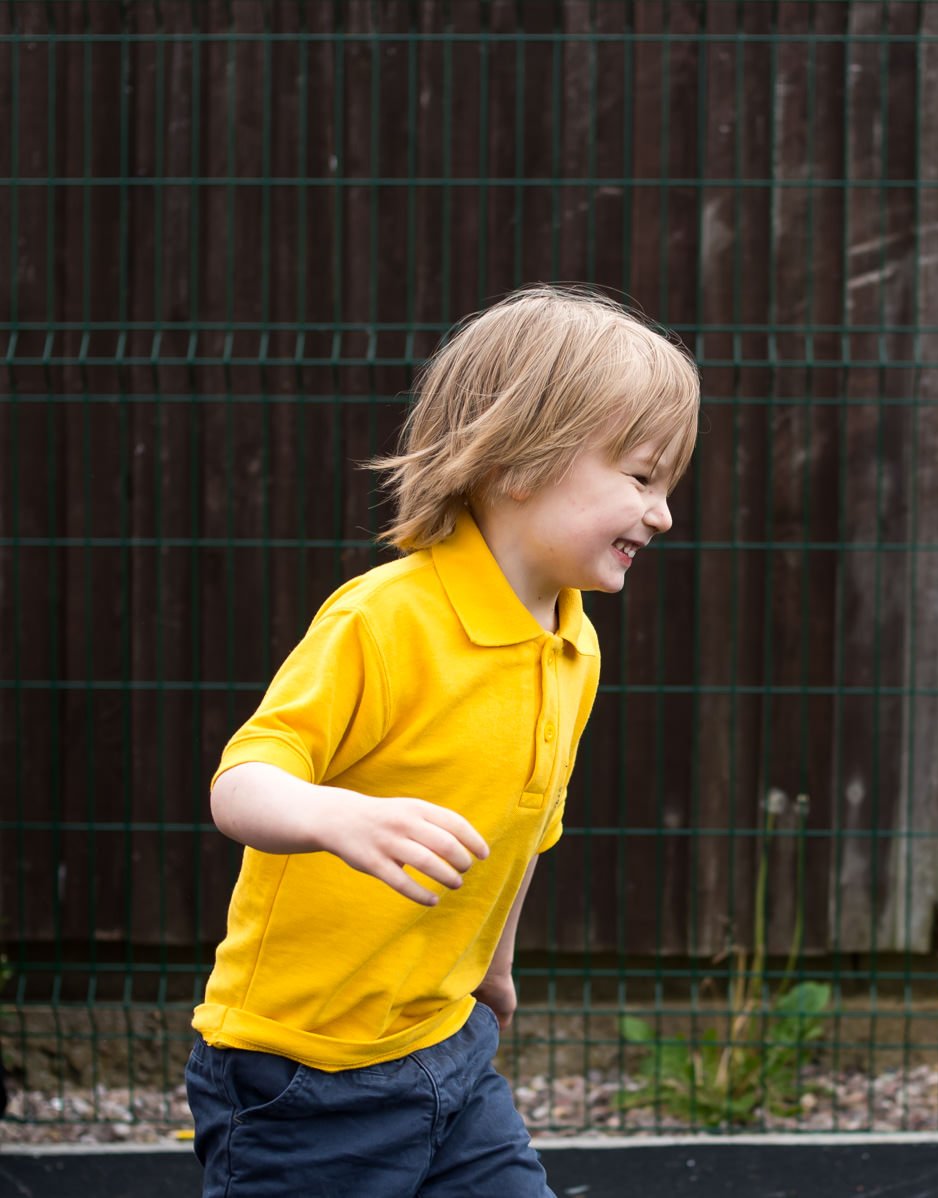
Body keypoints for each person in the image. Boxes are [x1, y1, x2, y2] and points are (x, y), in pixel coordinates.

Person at [185, 285, 701, 1197]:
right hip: (304, 1074)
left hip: (451, 1050)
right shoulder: (386, 620)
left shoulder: (572, 644)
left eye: (666, 486)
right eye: (641, 477)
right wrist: (338, 819)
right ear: (520, 463)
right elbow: (243, 783)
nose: (661, 514)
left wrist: (495, 967)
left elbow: (526, 828)